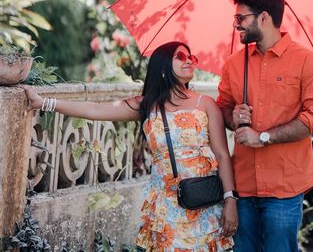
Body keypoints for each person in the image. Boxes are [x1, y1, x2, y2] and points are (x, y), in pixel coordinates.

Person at [25, 41, 238, 252]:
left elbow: (222, 155)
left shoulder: (206, 104)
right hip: (166, 205)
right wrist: (44, 102)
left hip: (204, 202)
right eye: (180, 57)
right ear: (162, 66)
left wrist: (230, 200)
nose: (189, 61)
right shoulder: (147, 105)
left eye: (191, 57)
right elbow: (95, 110)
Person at [216, 0, 313, 252]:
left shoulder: (306, 61)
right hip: (243, 186)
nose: (236, 24)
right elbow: (223, 107)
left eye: (241, 17)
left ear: (264, 17)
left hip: (285, 188)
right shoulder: (234, 64)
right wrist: (234, 117)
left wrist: (263, 137)